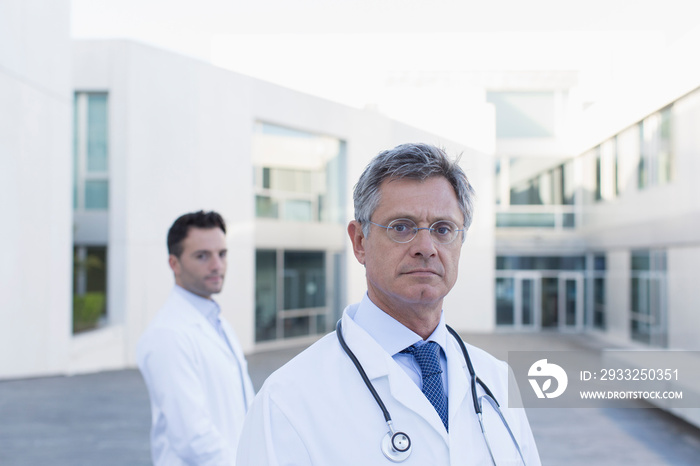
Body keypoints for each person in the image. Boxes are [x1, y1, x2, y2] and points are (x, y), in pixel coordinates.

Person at [237, 143, 541, 465]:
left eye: (442, 229)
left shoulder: (495, 379)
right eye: (401, 227)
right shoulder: (287, 400)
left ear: (461, 241)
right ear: (360, 243)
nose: (426, 247)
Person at [137, 210, 254, 466]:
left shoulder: (219, 323)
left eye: (222, 254)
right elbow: (192, 438)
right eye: (202, 256)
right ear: (174, 263)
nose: (217, 265)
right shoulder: (167, 335)